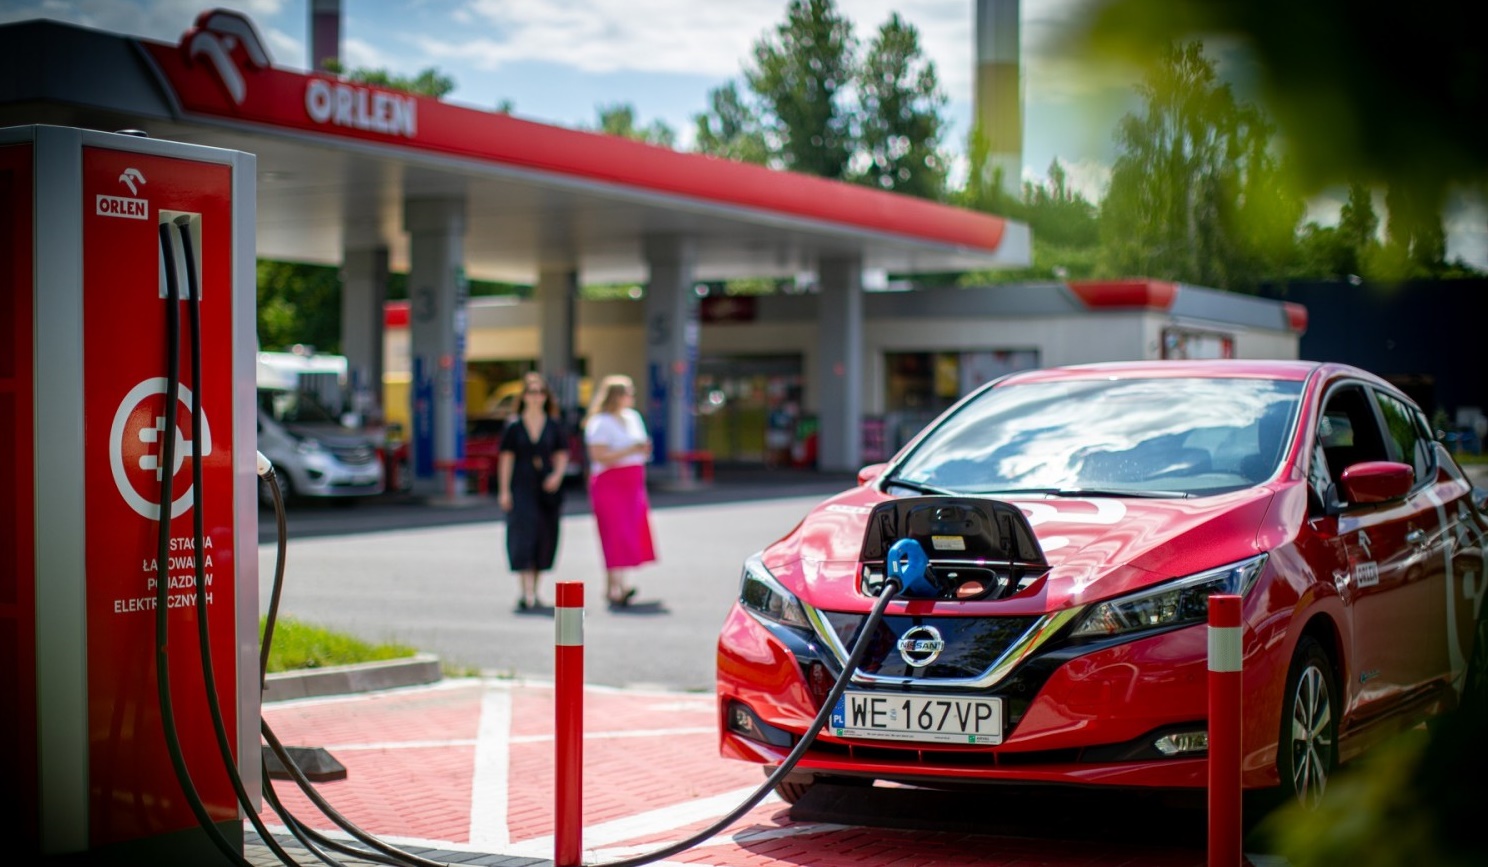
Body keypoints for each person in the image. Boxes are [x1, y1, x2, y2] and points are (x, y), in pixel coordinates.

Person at [496, 371, 569, 612]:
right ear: (524, 396)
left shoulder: (554, 425)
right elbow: (506, 459)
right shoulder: (514, 426)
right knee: (523, 534)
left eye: (540, 392)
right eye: (531, 392)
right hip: (522, 485)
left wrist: (557, 476)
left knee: (544, 535)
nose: (536, 397)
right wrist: (504, 490)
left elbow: (562, 454)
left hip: (546, 488)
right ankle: (525, 591)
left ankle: (535, 590)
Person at [583, 374, 655, 607]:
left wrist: (641, 450)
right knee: (615, 532)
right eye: (627, 392)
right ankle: (619, 586)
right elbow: (598, 455)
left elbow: (639, 447)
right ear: (615, 396)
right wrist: (629, 449)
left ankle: (613, 585)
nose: (631, 396)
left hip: (632, 481)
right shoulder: (600, 422)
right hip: (610, 482)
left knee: (629, 532)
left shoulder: (633, 417)